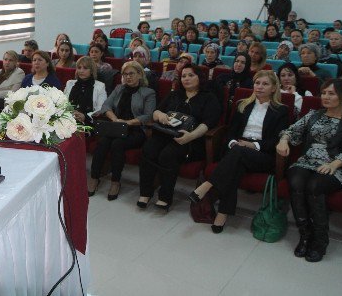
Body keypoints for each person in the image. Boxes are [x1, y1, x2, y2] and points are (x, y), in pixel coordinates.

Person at [189, 71, 288, 233]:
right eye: (257, 83)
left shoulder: (281, 110)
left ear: (274, 88)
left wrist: (252, 145)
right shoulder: (243, 105)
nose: (260, 87)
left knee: (238, 154)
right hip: (238, 152)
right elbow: (230, 133)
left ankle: (208, 184)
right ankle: (222, 214)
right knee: (235, 168)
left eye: (265, 84)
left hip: (262, 155)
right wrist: (234, 143)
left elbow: (275, 141)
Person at [277, 79, 342, 262]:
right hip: (307, 161)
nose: (325, 97)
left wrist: (334, 164)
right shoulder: (314, 114)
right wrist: (284, 140)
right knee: (296, 180)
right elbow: (291, 130)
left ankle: (320, 240)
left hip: (337, 166)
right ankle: (305, 235)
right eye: (323, 93)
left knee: (315, 185)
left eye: (331, 93)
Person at [138, 65, 221, 211]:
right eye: (183, 76)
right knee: (148, 149)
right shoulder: (174, 94)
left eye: (191, 75)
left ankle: (165, 197)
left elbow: (208, 124)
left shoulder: (209, 98)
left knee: (167, 155)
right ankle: (145, 192)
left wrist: (190, 136)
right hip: (166, 133)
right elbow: (157, 111)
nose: (186, 79)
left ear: (199, 78)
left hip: (191, 140)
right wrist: (161, 115)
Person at [89, 62, 155, 200]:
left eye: (131, 73)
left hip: (136, 130)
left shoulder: (148, 92)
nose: (128, 77)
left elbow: (148, 115)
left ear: (140, 74)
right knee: (102, 143)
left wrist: (127, 122)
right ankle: (94, 177)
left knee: (117, 144)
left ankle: (115, 181)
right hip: (117, 127)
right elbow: (106, 105)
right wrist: (115, 120)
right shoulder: (119, 88)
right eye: (125, 74)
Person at [64, 56, 107, 128]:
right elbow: (63, 103)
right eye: (79, 68)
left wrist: (85, 116)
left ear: (92, 70)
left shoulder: (100, 86)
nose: (81, 71)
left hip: (88, 122)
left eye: (85, 68)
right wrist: (70, 114)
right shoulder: (70, 83)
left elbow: (100, 108)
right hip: (68, 120)